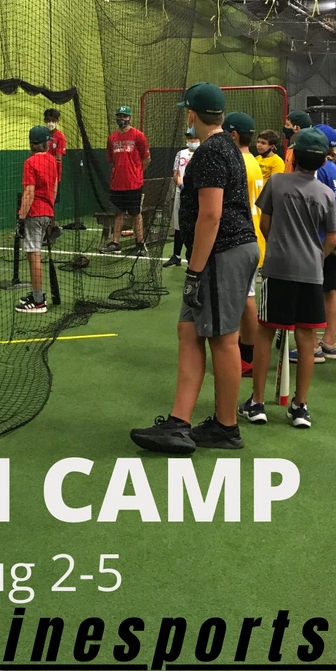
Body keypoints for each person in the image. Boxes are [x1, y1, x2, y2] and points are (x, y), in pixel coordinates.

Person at [130, 83, 259, 454]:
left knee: (223, 338)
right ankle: (178, 422)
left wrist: (194, 271)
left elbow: (211, 215)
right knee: (189, 331)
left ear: (191, 113)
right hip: (223, 251)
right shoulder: (223, 147)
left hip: (222, 252)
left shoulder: (212, 152)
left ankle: (226, 427)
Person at [238, 128, 336, 429]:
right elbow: (332, 239)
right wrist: (315, 257)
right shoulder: (325, 193)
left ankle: (257, 403)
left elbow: (265, 223)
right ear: (322, 160)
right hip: (311, 273)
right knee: (307, 337)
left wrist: (279, 247)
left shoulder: (277, 182)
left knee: (265, 332)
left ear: (293, 156)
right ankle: (300, 407)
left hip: (278, 269)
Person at [222, 112, 265, 379]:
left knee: (245, 299)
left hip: (243, 238)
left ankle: (248, 355)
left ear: (234, 134)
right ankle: (246, 350)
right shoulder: (253, 161)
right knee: (245, 297)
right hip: (252, 236)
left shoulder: (240, 162)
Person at [313, 124, 336, 361]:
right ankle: (329, 342)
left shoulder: (319, 169)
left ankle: (312, 346)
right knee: (330, 290)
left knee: (314, 290)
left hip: (322, 239)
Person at [15, 125, 59, 314]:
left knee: (34, 256)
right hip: (47, 212)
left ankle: (39, 301)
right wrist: (50, 213)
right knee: (33, 254)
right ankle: (36, 294)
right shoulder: (52, 160)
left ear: (32, 144)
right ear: (45, 144)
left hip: (34, 213)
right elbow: (54, 188)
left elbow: (29, 193)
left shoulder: (30, 162)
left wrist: (21, 218)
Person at [103, 105, 151, 255]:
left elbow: (147, 158)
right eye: (119, 116)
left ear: (129, 118)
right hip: (117, 184)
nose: (121, 119)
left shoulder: (138, 136)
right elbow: (111, 160)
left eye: (124, 116)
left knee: (136, 213)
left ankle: (140, 244)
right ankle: (115, 243)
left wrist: (137, 173)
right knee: (118, 213)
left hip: (134, 184)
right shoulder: (112, 138)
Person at [163, 128, 199, 267]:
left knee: (196, 225)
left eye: (194, 138)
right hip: (181, 192)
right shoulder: (181, 154)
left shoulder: (203, 153)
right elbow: (176, 173)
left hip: (197, 194)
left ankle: (194, 258)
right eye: (189, 138)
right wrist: (182, 186)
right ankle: (176, 256)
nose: (192, 141)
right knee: (179, 224)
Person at [44, 108, 66, 194]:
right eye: (48, 120)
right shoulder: (42, 134)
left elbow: (58, 159)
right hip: (42, 173)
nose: (51, 123)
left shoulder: (60, 137)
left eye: (53, 121)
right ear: (45, 120)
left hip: (54, 175)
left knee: (53, 198)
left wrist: (44, 158)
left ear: (57, 121)